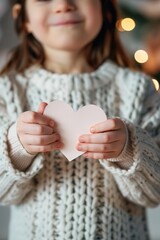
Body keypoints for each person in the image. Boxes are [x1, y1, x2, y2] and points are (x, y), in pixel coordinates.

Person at [0, 0, 160, 239]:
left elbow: (154, 193)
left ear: (105, 8)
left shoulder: (137, 89)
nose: (63, 5)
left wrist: (129, 149)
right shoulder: (7, 91)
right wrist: (17, 148)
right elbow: (4, 194)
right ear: (23, 18)